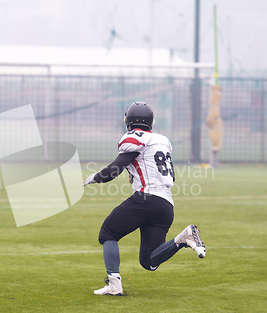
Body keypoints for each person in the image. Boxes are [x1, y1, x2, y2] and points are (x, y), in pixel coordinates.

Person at [83, 101, 206, 296]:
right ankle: (183, 238)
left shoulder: (134, 138)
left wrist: (94, 178)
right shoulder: (162, 141)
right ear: (151, 122)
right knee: (149, 261)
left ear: (128, 122)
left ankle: (114, 286)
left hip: (145, 199)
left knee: (108, 233)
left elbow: (114, 170)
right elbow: (171, 176)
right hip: (165, 205)